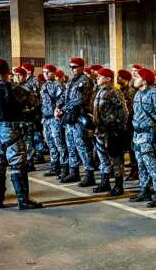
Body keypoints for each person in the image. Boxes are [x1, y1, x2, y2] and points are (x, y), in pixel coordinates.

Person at [0, 59, 42, 210]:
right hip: (10, 129)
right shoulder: (13, 88)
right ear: (7, 73)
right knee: (17, 164)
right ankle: (23, 199)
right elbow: (33, 101)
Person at [130, 68, 156, 207]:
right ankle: (144, 190)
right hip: (138, 135)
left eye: (137, 77)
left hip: (149, 135)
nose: (135, 79)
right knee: (141, 165)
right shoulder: (137, 94)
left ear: (144, 80)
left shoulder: (155, 94)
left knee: (153, 165)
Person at [58, 57, 95, 186]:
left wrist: (62, 108)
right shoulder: (71, 81)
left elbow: (79, 100)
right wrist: (58, 107)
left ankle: (89, 173)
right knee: (71, 145)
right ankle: (74, 172)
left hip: (79, 117)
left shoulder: (84, 81)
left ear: (82, 67)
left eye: (75, 67)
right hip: (70, 118)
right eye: (71, 67)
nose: (72, 69)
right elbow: (64, 97)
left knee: (82, 146)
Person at [92, 68, 128, 196]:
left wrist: (117, 129)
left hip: (112, 131)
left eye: (100, 76)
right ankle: (105, 182)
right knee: (103, 159)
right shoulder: (99, 92)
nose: (97, 78)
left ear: (107, 79)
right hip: (100, 131)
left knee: (116, 160)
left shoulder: (115, 92)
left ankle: (119, 185)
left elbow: (124, 113)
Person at [41, 62, 68, 179]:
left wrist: (58, 107)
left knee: (59, 143)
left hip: (55, 118)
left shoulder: (57, 85)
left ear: (53, 73)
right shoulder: (44, 85)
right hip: (46, 118)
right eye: (44, 72)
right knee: (50, 143)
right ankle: (54, 166)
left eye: (48, 72)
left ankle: (64, 167)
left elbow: (62, 98)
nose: (46, 74)